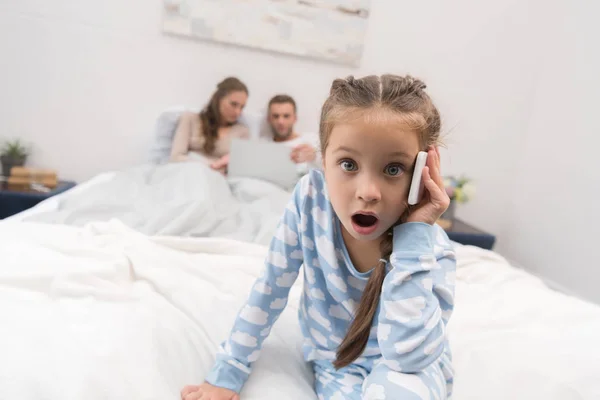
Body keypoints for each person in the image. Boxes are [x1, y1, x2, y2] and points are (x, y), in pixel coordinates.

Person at [181, 75, 456, 400]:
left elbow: (407, 358)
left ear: (425, 170)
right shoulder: (310, 200)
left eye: (394, 169)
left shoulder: (428, 247)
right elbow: (269, 291)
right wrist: (228, 373)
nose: (368, 193)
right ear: (323, 160)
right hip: (337, 364)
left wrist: (414, 236)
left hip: (410, 368)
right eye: (348, 164)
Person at [170, 77, 250, 174]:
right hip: (188, 172)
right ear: (218, 99)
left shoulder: (242, 132)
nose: (238, 112)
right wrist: (213, 165)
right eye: (233, 104)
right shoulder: (190, 119)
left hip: (216, 179)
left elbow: (239, 170)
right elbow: (176, 157)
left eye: (242, 107)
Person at [265, 94, 320, 170]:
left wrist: (315, 157)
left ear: (295, 118)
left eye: (286, 116)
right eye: (276, 116)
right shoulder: (263, 146)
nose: (280, 121)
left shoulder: (312, 140)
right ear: (268, 119)